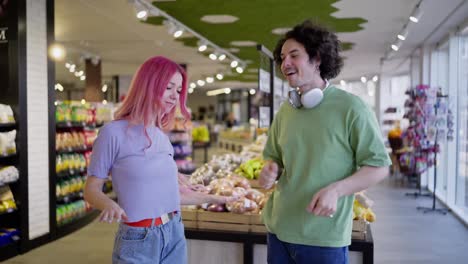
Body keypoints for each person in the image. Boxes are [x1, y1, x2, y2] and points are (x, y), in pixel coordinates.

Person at [259, 21, 391, 264]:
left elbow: (379, 167)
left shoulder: (352, 108)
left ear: (317, 59)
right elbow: (274, 157)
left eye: (294, 55)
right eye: (282, 57)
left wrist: (337, 189)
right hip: (279, 230)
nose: (285, 63)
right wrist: (271, 169)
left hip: (323, 238)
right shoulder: (286, 111)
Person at [84, 56, 234, 264]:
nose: (175, 96)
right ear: (149, 85)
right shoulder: (112, 133)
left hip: (174, 232)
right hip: (139, 238)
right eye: (169, 87)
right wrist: (108, 203)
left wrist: (217, 198)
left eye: (179, 90)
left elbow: (171, 197)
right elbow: (90, 190)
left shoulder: (161, 136)